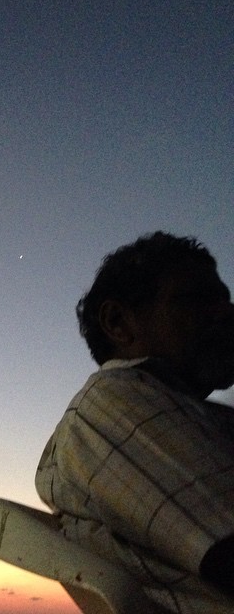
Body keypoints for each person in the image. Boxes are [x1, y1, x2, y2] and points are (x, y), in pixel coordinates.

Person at [35, 232, 234, 613]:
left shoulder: (186, 411)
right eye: (199, 299)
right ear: (118, 322)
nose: (227, 311)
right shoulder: (117, 399)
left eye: (224, 298)